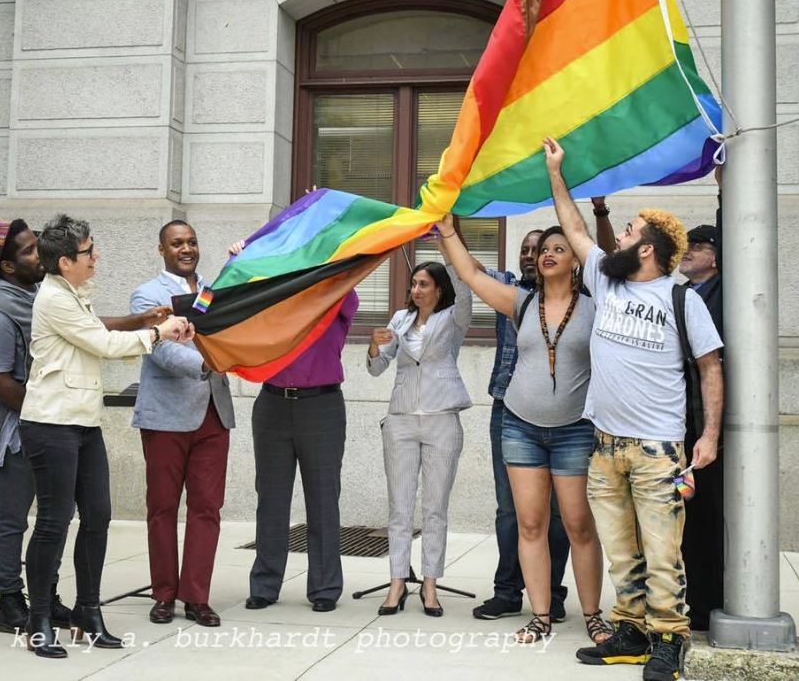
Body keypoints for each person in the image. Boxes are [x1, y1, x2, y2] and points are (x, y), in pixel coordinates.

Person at [542, 138, 724, 681]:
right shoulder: (605, 278)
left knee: (664, 555)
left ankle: (670, 637)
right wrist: (557, 173)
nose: (617, 238)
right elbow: (572, 227)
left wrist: (708, 436)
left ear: (648, 248)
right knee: (621, 550)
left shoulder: (682, 299)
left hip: (658, 450)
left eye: (627, 233)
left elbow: (712, 367)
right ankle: (629, 632)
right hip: (605, 444)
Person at [19, 214, 192, 658]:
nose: (96, 257)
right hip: (51, 422)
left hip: (83, 421)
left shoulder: (74, 293)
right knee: (54, 524)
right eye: (88, 252)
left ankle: (87, 612)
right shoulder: (54, 299)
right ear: (63, 263)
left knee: (98, 516)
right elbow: (103, 346)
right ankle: (39, 619)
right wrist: (160, 332)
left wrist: (142, 320)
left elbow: (99, 328)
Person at [439, 217, 612, 645]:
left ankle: (592, 615)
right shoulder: (520, 302)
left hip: (574, 429)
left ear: (576, 260)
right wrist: (447, 232)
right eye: (543, 250)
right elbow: (470, 274)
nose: (547, 254)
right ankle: (539, 617)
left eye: (559, 248)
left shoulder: (597, 306)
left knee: (578, 525)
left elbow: (608, 258)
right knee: (529, 524)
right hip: (519, 426)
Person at [231, 241, 359, 613]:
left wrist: (324, 239)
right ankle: (265, 585)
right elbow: (236, 291)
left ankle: (324, 589)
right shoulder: (276, 299)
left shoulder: (336, 298)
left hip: (321, 406)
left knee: (322, 500)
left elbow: (347, 273)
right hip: (271, 404)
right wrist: (244, 254)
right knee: (270, 499)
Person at [131, 220, 236, 628]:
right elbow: (161, 351)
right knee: (162, 508)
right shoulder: (147, 296)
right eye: (177, 244)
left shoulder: (211, 292)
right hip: (166, 419)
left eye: (192, 242)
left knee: (207, 508)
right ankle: (164, 595)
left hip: (214, 415)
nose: (186, 249)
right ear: (162, 250)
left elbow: (227, 333)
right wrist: (211, 363)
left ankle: (196, 596)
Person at [0, 219, 71, 634]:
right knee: (14, 520)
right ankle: (9, 601)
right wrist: (40, 413)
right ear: (9, 267)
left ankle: (45, 597)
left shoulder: (36, 295)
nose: (40, 255)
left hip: (46, 423)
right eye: (30, 251)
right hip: (17, 433)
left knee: (55, 516)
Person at [366, 242, 471, 617]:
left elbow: (464, 280)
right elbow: (377, 370)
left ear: (439, 288)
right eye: (413, 284)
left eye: (424, 284)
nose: (416, 290)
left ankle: (430, 583)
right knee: (400, 505)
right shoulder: (399, 319)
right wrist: (375, 348)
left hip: (443, 416)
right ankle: (397, 581)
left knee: (435, 507)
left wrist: (446, 239)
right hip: (401, 419)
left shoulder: (455, 315)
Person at [678, 183, 724, 631]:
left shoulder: (724, 290)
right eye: (687, 244)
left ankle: (709, 603)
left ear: (717, 255)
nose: (689, 251)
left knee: (707, 517)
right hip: (678, 425)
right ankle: (691, 599)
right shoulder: (678, 295)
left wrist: (724, 189)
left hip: (708, 427)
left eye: (700, 245)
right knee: (683, 517)